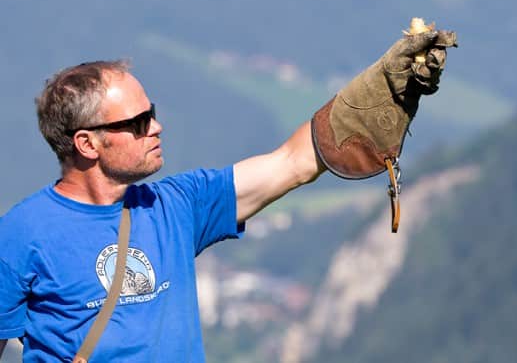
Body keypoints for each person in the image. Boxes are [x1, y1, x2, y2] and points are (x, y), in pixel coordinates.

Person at [0, 28, 453, 362]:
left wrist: (374, 93)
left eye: (151, 113)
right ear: (87, 144)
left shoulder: (176, 206)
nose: (156, 127)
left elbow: (291, 163)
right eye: (137, 123)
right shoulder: (23, 233)